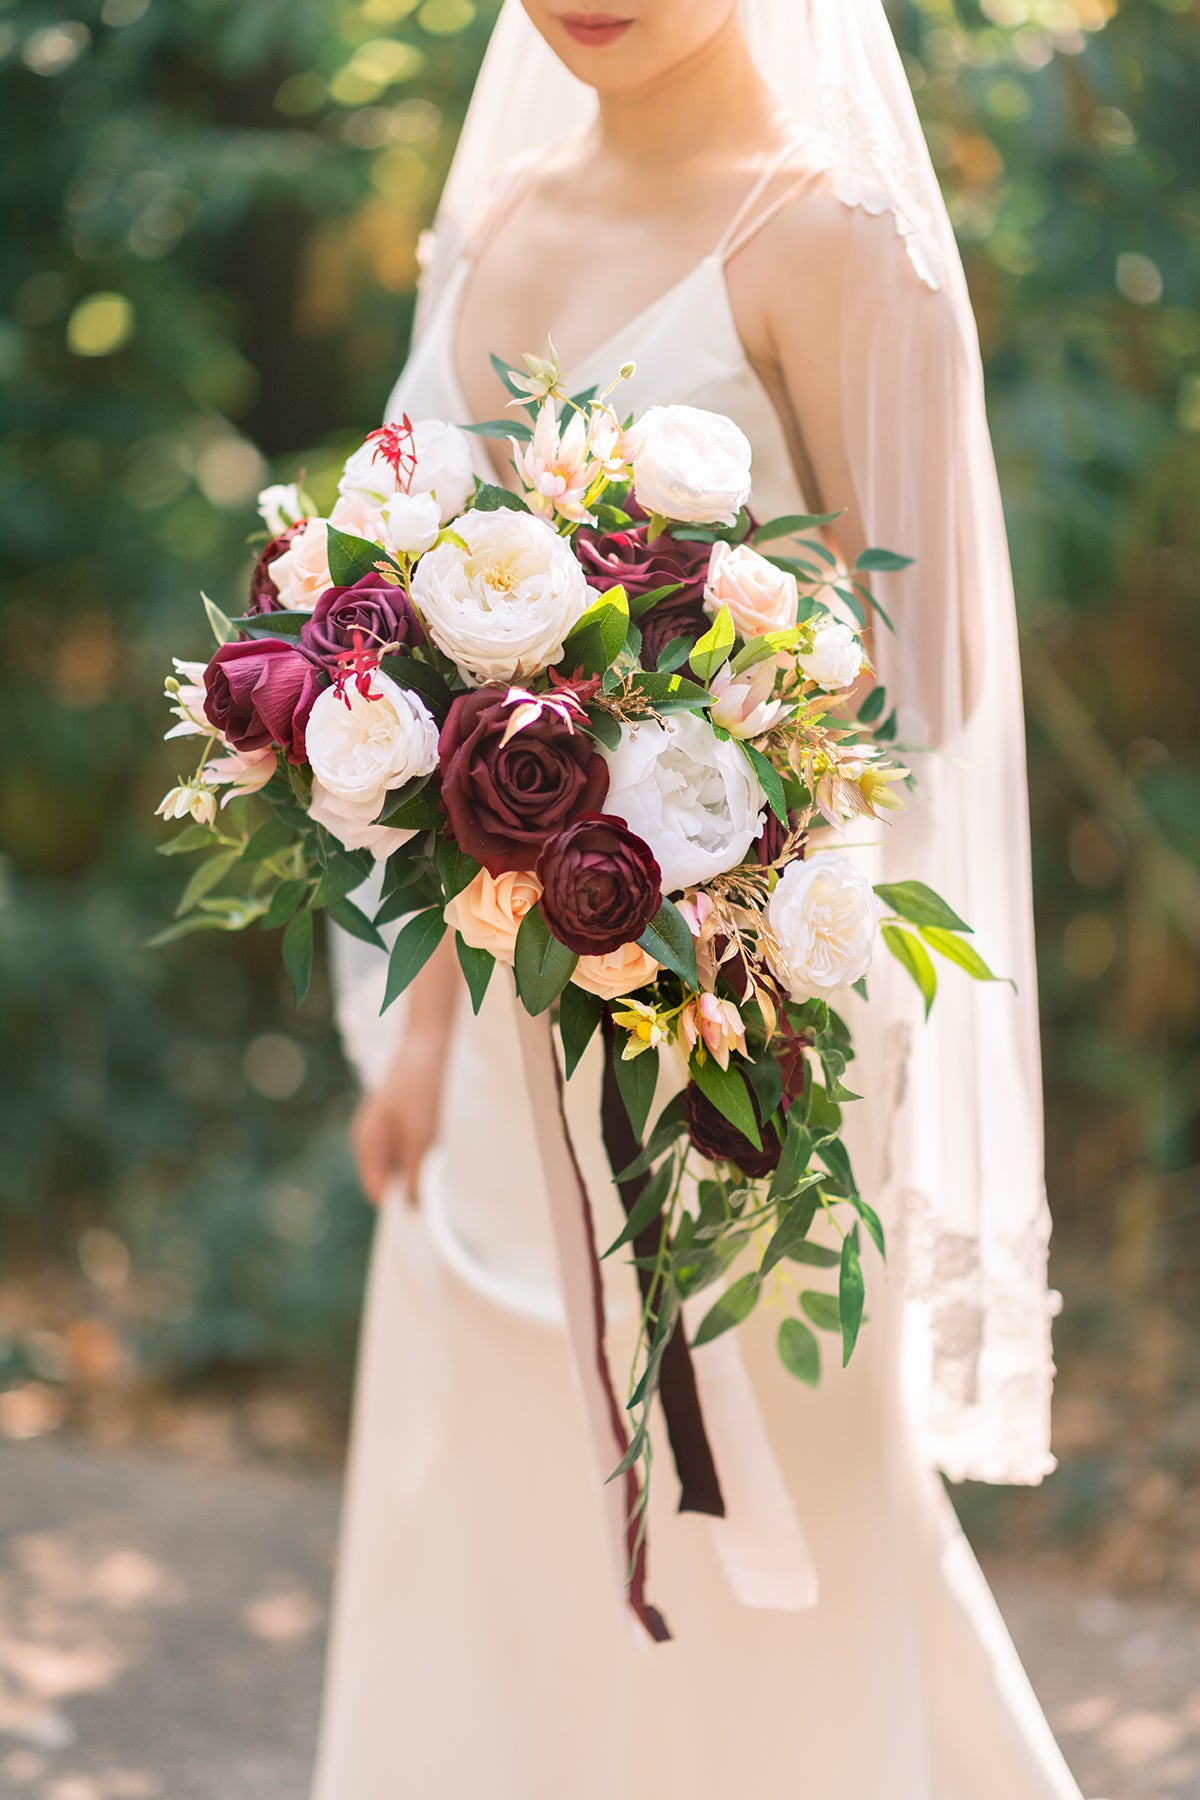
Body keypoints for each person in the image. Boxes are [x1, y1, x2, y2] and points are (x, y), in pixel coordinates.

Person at [311, 3, 1084, 1795]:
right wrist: (423, 1032)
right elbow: (426, 658)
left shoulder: (835, 245)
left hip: (745, 1032)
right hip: (509, 1027)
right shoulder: (497, 218)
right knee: (509, 1509)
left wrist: (681, 761)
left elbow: (940, 686)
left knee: (776, 1524)